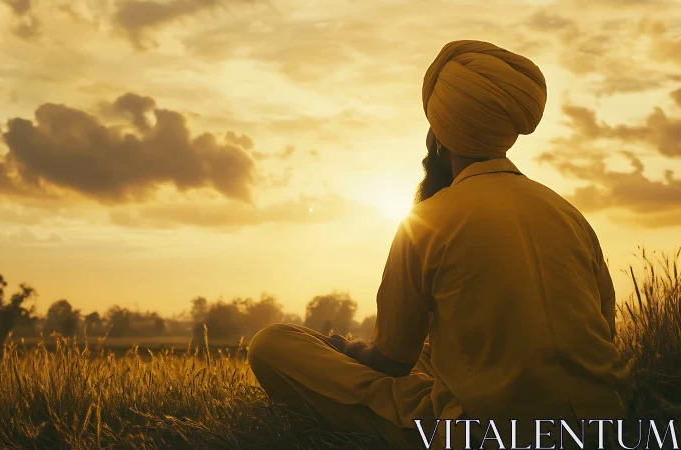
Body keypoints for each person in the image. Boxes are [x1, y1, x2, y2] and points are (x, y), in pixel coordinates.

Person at [247, 40, 633, 449]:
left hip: (485, 434)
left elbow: (392, 363)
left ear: (437, 140)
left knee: (271, 345)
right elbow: (602, 333)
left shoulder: (427, 220)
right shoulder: (568, 213)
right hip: (603, 424)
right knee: (434, 353)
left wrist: (347, 352)